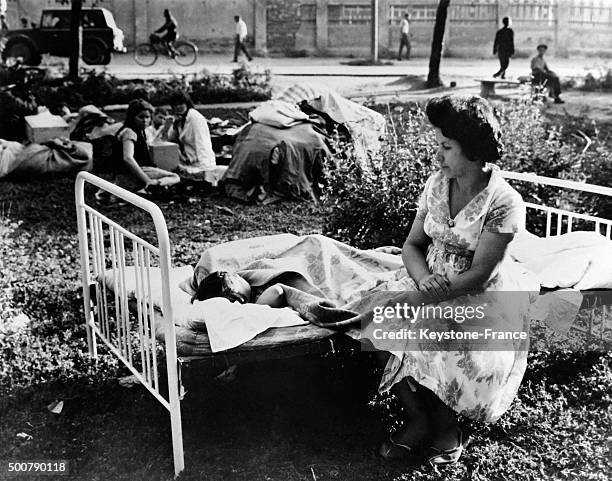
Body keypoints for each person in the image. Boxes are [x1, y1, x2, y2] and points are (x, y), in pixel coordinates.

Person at [372, 94, 536, 465]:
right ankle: (418, 418)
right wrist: (422, 280)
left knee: (435, 334)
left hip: (477, 295)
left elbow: (481, 275)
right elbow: (412, 245)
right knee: (379, 320)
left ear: (475, 150)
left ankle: (447, 426)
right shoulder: (436, 184)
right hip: (428, 280)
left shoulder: (504, 202)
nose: (438, 156)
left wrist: (426, 300)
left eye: (446, 147)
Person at [95, 99, 179, 203]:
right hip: (130, 173)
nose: (145, 120)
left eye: (147, 117)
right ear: (132, 117)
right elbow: (128, 158)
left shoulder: (133, 130)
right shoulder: (130, 133)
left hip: (125, 174)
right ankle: (151, 187)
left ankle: (132, 191)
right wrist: (147, 180)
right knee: (175, 177)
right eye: (141, 117)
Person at [159, 91, 218, 184]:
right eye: (175, 105)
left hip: (201, 164)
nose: (178, 107)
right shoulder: (180, 120)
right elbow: (165, 142)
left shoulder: (194, 118)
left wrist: (207, 171)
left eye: (181, 103)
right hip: (188, 164)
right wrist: (167, 127)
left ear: (187, 103)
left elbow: (202, 144)